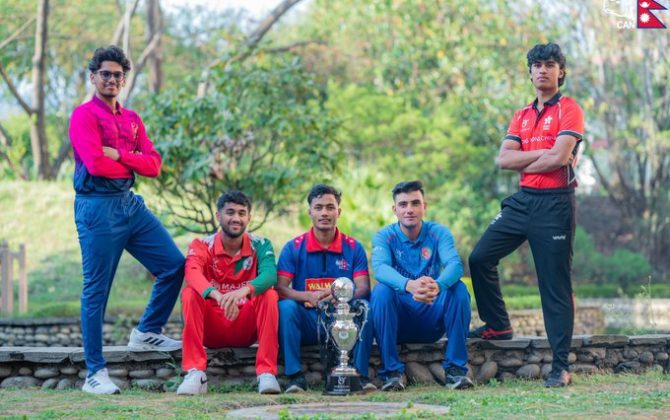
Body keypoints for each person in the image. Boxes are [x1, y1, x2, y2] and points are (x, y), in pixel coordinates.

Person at [468, 43, 585, 388]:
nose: (543, 70)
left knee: (554, 285)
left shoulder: (569, 109)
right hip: (524, 201)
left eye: (550, 64)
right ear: (530, 72)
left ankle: (560, 367)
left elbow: (559, 159)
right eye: (537, 65)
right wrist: (545, 153)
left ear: (561, 72)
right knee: (479, 258)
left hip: (556, 204)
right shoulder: (521, 115)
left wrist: (534, 156)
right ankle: (498, 325)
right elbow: (504, 159)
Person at [69, 46, 184, 395]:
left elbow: (155, 165)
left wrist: (120, 155)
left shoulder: (132, 119)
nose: (112, 80)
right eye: (105, 74)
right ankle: (95, 373)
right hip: (97, 208)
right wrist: (133, 164)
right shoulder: (84, 116)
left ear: (124, 80)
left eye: (118, 75)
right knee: (96, 289)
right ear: (93, 77)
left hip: (129, 205)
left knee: (174, 265)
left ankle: (147, 331)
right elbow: (95, 164)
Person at [371, 180, 473, 391]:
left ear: (424, 206)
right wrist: (409, 285)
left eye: (415, 203)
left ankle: (455, 371)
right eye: (403, 204)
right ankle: (392, 373)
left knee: (459, 290)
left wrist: (438, 285)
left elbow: (455, 264)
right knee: (381, 292)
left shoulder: (439, 233)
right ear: (395, 209)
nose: (409, 209)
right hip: (399, 322)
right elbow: (380, 269)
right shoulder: (384, 236)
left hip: (431, 317)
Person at [176, 191, 281, 395]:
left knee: (269, 294)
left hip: (245, 327)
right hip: (211, 329)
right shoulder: (201, 245)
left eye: (242, 213)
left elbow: (270, 275)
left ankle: (267, 373)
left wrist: (242, 292)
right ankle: (195, 372)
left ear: (249, 218)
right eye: (230, 212)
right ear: (218, 216)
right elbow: (192, 273)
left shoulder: (261, 244)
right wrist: (219, 296)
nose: (236, 218)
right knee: (189, 293)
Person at [276, 184, 375, 393]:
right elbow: (280, 288)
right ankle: (294, 377)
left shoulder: (353, 247)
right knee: (286, 308)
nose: (324, 213)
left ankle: (360, 376)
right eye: (318, 207)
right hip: (308, 320)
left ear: (339, 212)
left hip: (343, 320)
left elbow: (364, 288)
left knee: (365, 306)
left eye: (330, 207)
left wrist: (340, 296)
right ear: (310, 212)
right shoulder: (293, 247)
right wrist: (307, 295)